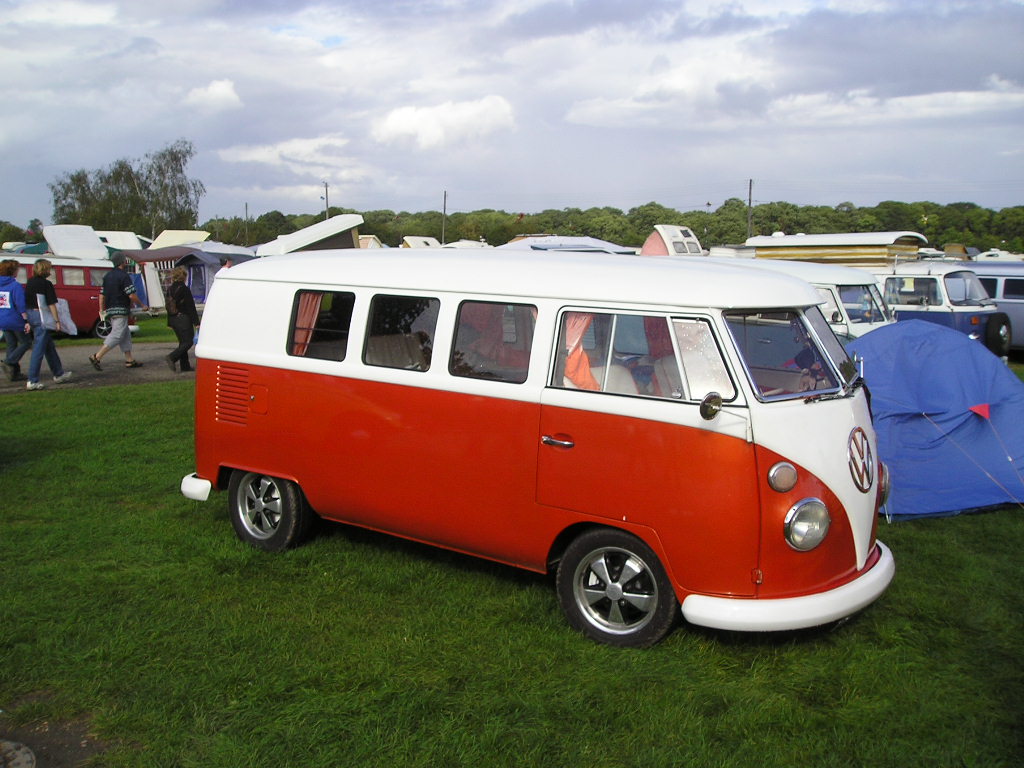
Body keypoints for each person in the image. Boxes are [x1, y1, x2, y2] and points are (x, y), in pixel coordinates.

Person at [88, 252, 149, 371]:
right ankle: (97, 356)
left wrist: (101, 309)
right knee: (117, 334)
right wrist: (142, 305)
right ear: (122, 262)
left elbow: (102, 295)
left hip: (111, 309)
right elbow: (131, 295)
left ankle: (129, 360)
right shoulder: (124, 276)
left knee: (125, 334)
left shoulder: (107, 276)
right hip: (121, 309)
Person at [24, 258, 73, 390]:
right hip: (42, 316)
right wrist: (57, 321)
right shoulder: (46, 284)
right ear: (45, 270)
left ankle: (59, 373)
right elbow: (51, 303)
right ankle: (32, 380)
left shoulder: (30, 282)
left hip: (31, 314)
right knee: (38, 348)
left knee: (48, 346)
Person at [0, 259, 31, 381]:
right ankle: (9, 362)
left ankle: (13, 373)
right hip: (15, 319)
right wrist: (26, 321)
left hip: (3, 319)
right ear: (12, 271)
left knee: (11, 345)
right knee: (26, 342)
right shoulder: (15, 285)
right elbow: (20, 304)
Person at [164, 267, 199, 372]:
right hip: (183, 318)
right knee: (188, 342)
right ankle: (172, 357)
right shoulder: (184, 289)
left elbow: (168, 306)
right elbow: (190, 306)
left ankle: (185, 365)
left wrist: (169, 322)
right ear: (184, 277)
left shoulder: (169, 289)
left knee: (182, 342)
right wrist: (196, 322)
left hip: (173, 319)